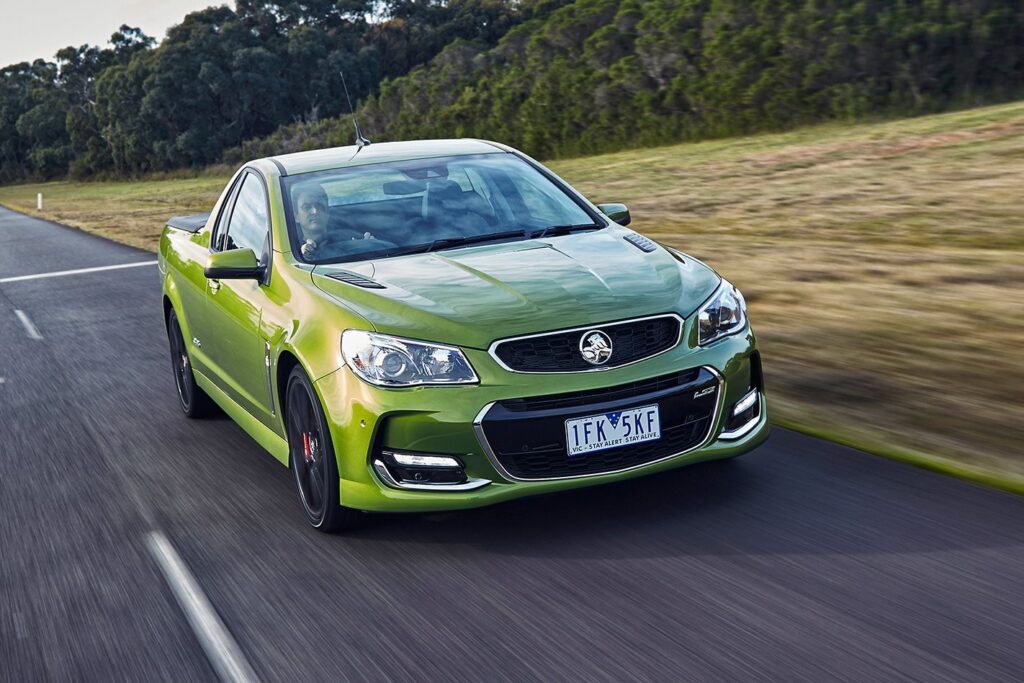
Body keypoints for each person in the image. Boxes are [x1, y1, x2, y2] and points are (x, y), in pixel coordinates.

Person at [292, 182, 374, 259]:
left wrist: (369, 247)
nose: (315, 211)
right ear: (296, 216)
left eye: (319, 206)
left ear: (327, 211)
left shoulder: (349, 240)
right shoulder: (292, 253)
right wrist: (303, 255)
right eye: (306, 207)